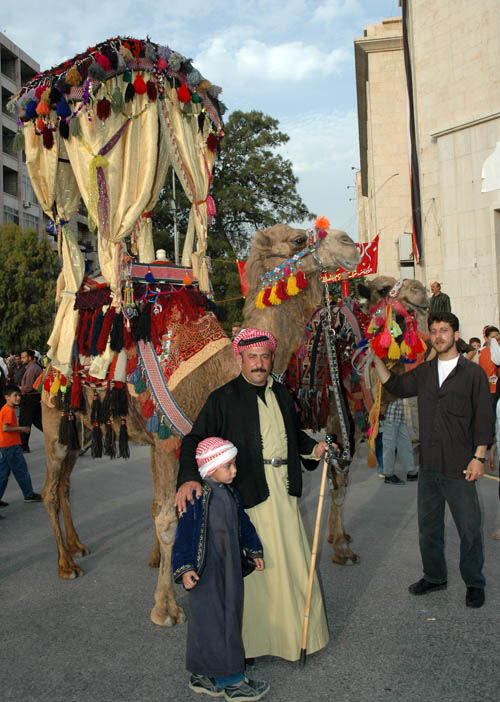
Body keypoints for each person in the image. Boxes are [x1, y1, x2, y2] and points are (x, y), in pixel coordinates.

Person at [175, 328, 330, 661]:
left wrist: (315, 448)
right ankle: (254, 646)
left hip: (285, 492)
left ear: (271, 358)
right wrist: (189, 478)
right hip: (249, 493)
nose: (259, 363)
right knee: (259, 573)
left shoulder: (282, 393)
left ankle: (300, 639)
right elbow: (194, 438)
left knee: (293, 565)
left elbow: (292, 435)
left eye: (264, 356)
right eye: (252, 357)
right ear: (239, 359)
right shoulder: (223, 397)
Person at [371, 312, 492, 608]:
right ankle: (435, 577)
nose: (438, 336)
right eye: (434, 331)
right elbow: (397, 386)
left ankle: (474, 582)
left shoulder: (472, 374)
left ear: (456, 334)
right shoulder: (425, 372)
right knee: (429, 526)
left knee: (468, 527)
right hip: (429, 464)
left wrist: (479, 457)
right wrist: (375, 360)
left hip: (460, 464)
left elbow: (484, 420)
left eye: (444, 331)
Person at [172, 437, 269, 701]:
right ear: (210, 468)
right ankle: (232, 681)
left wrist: (254, 550)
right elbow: (183, 536)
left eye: (234, 464)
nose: (234, 470)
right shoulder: (197, 498)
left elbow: (244, 524)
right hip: (206, 573)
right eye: (228, 466)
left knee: (223, 620)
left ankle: (203, 674)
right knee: (213, 623)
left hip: (229, 570)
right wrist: (184, 569)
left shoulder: (231, 494)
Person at [0, 384, 43, 511]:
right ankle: (28, 494)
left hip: (6, 445)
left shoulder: (6, 409)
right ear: (7, 397)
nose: (18, 398)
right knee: (21, 471)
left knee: (3, 474)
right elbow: (5, 428)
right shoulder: (8, 410)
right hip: (11, 445)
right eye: (15, 396)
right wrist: (22, 428)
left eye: (19, 395)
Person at [381, 398, 418, 485]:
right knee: (389, 446)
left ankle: (411, 472)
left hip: (399, 416)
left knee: (405, 444)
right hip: (389, 416)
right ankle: (388, 474)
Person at [19, 349, 43, 453]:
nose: (21, 359)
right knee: (38, 421)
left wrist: (19, 389)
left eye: (24, 357)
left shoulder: (32, 369)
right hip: (34, 399)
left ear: (30, 358)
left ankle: (23, 446)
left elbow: (28, 387)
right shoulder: (32, 367)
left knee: (25, 422)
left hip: (30, 398)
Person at [478, 326, 500, 409]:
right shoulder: (480, 352)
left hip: (496, 389)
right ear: (486, 338)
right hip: (484, 389)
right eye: (493, 337)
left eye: (497, 336)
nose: (496, 339)